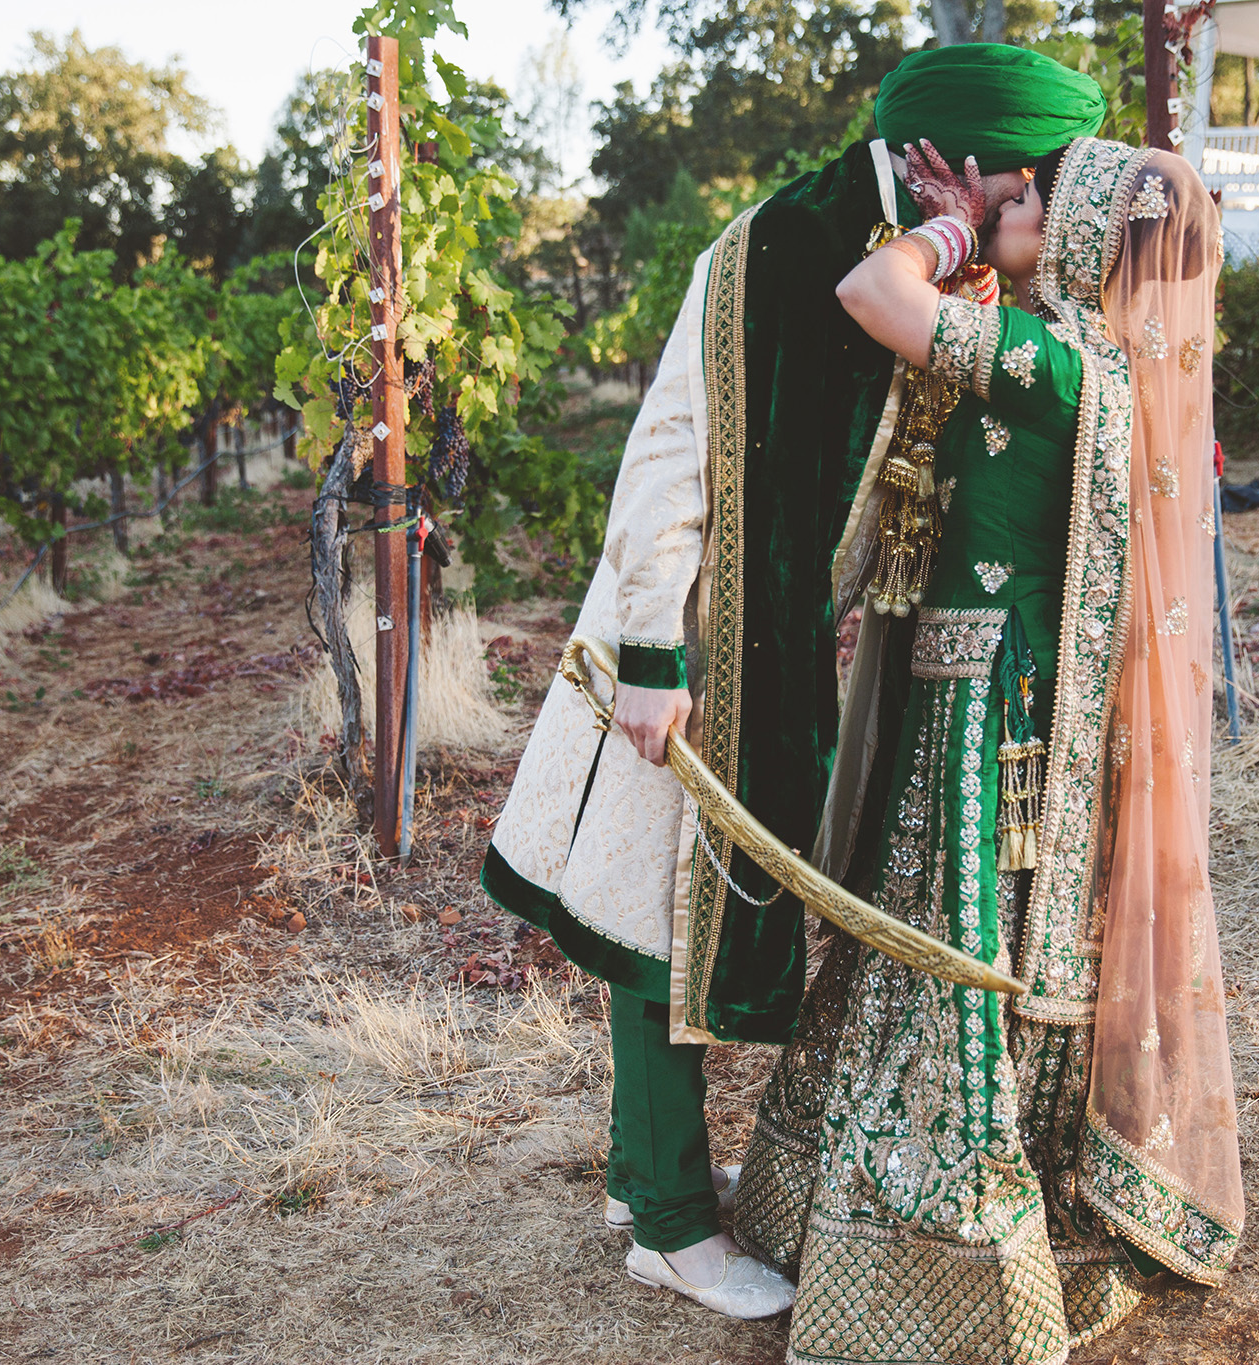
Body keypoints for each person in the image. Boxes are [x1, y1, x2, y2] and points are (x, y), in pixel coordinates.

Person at [480, 46, 1110, 1319]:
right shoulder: (782, 243)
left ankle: (637, 1169)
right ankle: (670, 1228)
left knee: (690, 908)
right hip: (698, 635)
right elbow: (668, 448)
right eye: (1033, 177)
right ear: (970, 165)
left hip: (775, 641)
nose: (1041, 199)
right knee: (662, 918)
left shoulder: (920, 244)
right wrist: (658, 663)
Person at [729, 136, 1245, 1362]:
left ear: (1074, 242)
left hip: (982, 709)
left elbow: (871, 295)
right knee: (941, 943)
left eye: (1030, 203)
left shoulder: (1057, 364)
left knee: (955, 950)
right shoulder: (1065, 352)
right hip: (963, 688)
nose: (1010, 207)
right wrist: (979, 235)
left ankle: (950, 1245)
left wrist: (949, 234)